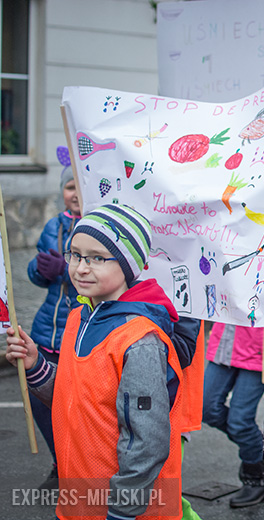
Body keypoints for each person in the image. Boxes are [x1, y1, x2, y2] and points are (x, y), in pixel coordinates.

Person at [6, 204, 186, 520]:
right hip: (79, 501)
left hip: (122, 511)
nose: (80, 268)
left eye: (97, 258)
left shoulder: (140, 340)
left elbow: (147, 441)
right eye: (75, 255)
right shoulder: (78, 317)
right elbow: (76, 398)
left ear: (130, 264)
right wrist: (36, 366)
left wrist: (122, 510)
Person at [202, 233, 264, 508]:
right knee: (206, 407)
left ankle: (254, 477)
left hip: (261, 347)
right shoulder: (226, 237)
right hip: (226, 339)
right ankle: (256, 448)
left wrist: (262, 288)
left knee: (239, 420)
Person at [25, 152, 81, 489]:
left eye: (80, 186)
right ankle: (61, 462)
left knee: (76, 407)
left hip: (81, 333)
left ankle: (80, 463)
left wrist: (66, 271)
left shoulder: (100, 225)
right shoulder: (53, 226)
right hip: (47, 330)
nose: (74, 193)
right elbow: (36, 271)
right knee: (39, 401)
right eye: (69, 187)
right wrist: (39, 270)